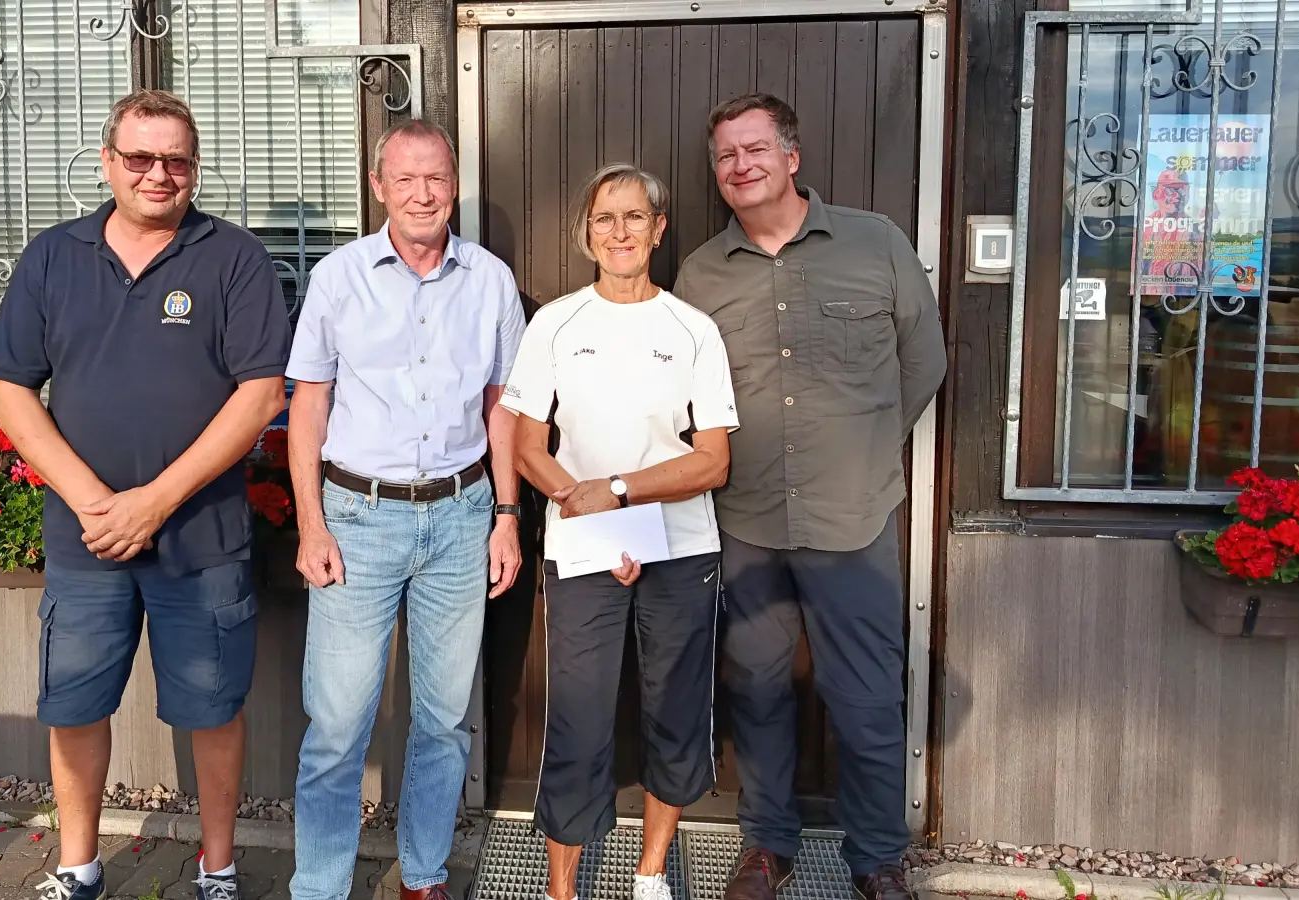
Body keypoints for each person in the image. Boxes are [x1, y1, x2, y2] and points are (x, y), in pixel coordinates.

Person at [0, 90, 291, 900]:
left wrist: (154, 501)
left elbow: (262, 395)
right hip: (86, 543)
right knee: (75, 705)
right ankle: (79, 867)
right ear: (107, 162)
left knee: (211, 709)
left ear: (194, 168)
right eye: (141, 158)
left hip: (201, 539)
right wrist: (96, 502)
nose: (160, 174)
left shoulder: (234, 259)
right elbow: (11, 392)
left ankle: (218, 869)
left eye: (177, 160)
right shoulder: (53, 258)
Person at [673, 93, 946, 900]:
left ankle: (876, 857)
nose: (741, 166)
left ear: (791, 156)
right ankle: (766, 847)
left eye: (755, 149)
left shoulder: (876, 243)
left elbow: (922, 360)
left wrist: (862, 448)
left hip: (852, 516)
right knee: (755, 692)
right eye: (726, 156)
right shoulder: (699, 272)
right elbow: (685, 394)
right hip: (746, 519)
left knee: (864, 696)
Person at [285, 119, 526, 900]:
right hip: (357, 518)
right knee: (336, 728)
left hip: (462, 516)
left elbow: (502, 408)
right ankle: (319, 887)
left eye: (439, 179)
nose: (424, 194)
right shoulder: (339, 277)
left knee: (446, 722)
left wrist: (507, 515)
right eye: (407, 179)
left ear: (454, 187)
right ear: (379, 187)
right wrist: (311, 523)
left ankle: (422, 878)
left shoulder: (489, 279)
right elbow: (309, 408)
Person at [499, 164, 740, 900]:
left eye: (636, 218)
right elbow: (527, 446)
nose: (621, 232)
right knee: (577, 720)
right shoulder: (556, 324)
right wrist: (590, 506)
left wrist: (623, 492)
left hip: (680, 549)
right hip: (583, 545)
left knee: (674, 713)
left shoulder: (693, 329)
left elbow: (713, 461)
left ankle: (650, 873)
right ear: (588, 233)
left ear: (659, 229)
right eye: (606, 219)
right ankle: (562, 890)